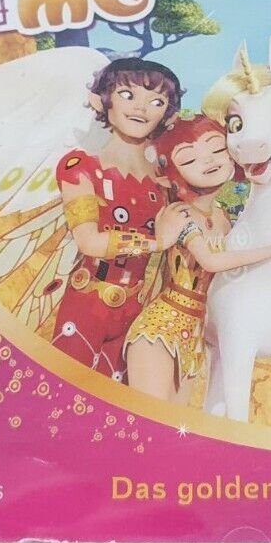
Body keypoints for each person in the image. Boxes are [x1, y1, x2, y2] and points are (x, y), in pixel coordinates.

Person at [125, 114, 271, 404]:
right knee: (149, 418)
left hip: (196, 331)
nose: (208, 161)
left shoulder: (224, 215)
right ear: (168, 174)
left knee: (175, 422)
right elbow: (211, 261)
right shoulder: (180, 214)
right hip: (161, 327)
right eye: (189, 159)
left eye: (217, 148)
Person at [51, 58, 186, 381]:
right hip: (87, 305)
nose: (141, 108)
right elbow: (89, 241)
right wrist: (157, 242)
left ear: (168, 115)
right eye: (128, 95)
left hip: (139, 312)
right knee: (67, 391)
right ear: (100, 100)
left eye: (157, 101)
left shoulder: (165, 181)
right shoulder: (79, 166)